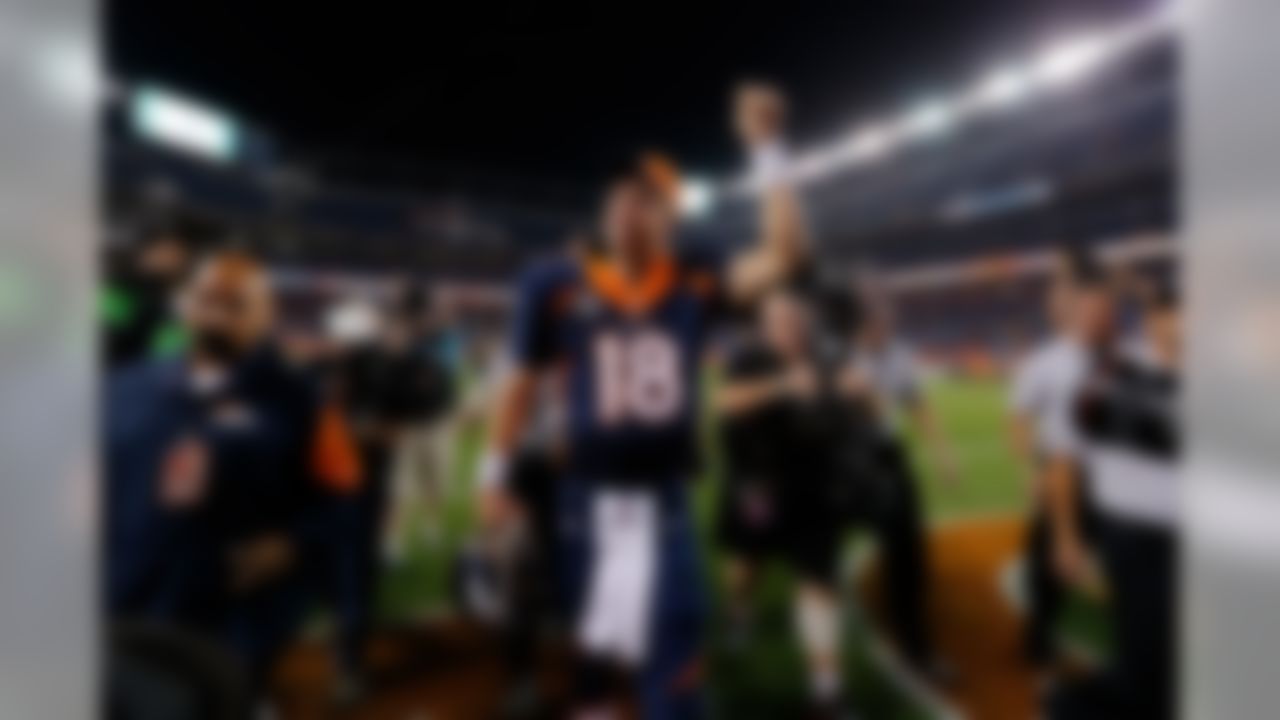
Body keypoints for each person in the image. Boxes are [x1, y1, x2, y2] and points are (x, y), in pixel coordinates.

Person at [476, 82, 808, 720]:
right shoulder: (555, 284)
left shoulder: (695, 277)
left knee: (677, 666)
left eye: (648, 199)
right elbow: (519, 381)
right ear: (604, 207)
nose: (630, 207)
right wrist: (494, 472)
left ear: (671, 218)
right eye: (621, 195)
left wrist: (768, 150)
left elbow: (786, 254)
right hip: (582, 501)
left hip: (664, 502)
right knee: (592, 662)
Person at [105, 249, 361, 692]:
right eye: (206, 298)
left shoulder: (303, 401)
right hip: (125, 609)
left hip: (231, 622)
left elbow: (343, 497)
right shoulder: (122, 389)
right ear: (185, 304)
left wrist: (293, 541)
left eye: (236, 304)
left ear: (267, 315)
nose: (217, 314)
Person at [717, 288, 869, 717]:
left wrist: (861, 393)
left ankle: (827, 690)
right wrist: (783, 385)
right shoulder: (748, 360)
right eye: (781, 321)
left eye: (797, 320)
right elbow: (726, 403)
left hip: (814, 487)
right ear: (766, 327)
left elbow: (862, 406)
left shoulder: (826, 359)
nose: (791, 328)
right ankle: (739, 611)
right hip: (759, 486)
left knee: (818, 580)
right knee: (748, 561)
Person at [1046, 280, 1180, 720]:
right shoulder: (1110, 375)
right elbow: (1065, 457)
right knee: (1151, 663)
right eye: (1181, 311)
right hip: (1138, 541)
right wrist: (1066, 536)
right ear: (1154, 318)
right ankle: (1070, 709)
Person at [846, 296, 955, 680]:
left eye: (886, 318)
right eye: (876, 319)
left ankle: (912, 645)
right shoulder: (838, 353)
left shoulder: (899, 354)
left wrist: (943, 454)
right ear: (861, 322)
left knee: (908, 550)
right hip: (844, 459)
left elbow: (918, 404)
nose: (884, 326)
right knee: (826, 552)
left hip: (888, 456)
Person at [1007, 248, 1101, 672]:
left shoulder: (1117, 351)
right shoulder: (1041, 362)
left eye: (1062, 289)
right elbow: (1018, 423)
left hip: (1111, 474)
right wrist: (1032, 471)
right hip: (1060, 470)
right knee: (1045, 562)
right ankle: (1038, 643)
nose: (1053, 299)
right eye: (1052, 291)